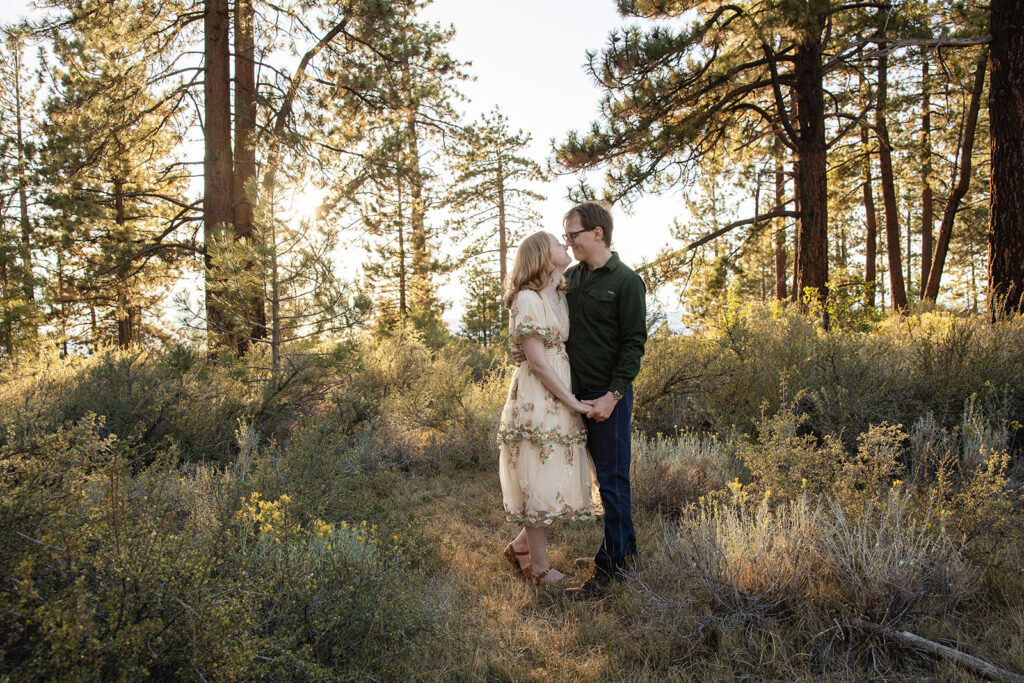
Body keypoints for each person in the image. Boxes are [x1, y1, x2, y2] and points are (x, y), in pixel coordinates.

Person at [498, 231, 602, 586]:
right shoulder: (528, 297)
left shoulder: (558, 292)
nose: (566, 245)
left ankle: (520, 548)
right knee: (539, 473)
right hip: (539, 393)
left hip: (559, 387)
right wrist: (572, 401)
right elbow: (539, 363)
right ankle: (539, 568)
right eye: (559, 243)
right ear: (543, 255)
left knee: (551, 473)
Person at [560, 201, 647, 596]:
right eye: (565, 236)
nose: (568, 243)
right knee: (599, 480)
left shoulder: (627, 282)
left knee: (612, 481)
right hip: (572, 396)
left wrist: (612, 397)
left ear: (597, 233)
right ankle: (623, 550)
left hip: (606, 398)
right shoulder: (571, 278)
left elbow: (633, 345)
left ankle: (612, 569)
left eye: (573, 235)